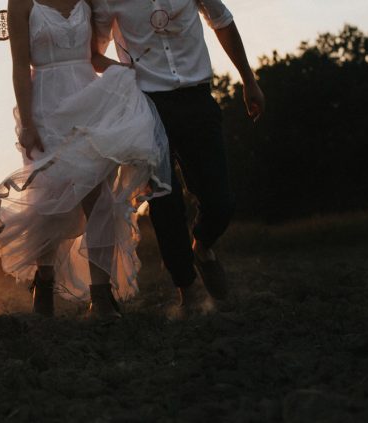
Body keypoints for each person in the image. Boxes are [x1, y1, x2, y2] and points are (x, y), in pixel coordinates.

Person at [0, 0, 172, 319]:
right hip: (46, 108)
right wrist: (27, 124)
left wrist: (126, 73)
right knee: (50, 199)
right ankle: (45, 278)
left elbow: (93, 56)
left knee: (100, 199)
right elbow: (19, 66)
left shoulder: (87, 0)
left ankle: (101, 296)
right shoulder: (21, 3)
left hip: (88, 103)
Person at [91, 0, 265, 309]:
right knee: (165, 202)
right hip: (147, 106)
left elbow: (222, 21)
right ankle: (187, 288)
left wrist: (248, 79)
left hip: (197, 99)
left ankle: (203, 245)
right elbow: (94, 54)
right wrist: (123, 70)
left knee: (220, 201)